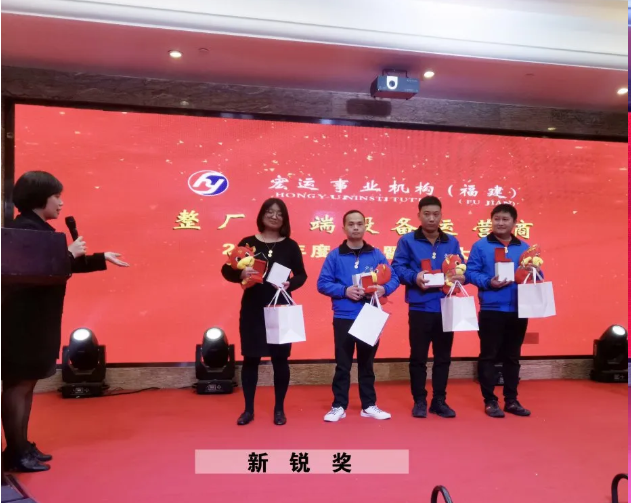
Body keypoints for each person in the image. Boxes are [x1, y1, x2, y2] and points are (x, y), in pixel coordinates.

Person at [1, 171, 129, 472]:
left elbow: (57, 267)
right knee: (18, 385)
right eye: (56, 196)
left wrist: (99, 257)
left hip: (37, 321)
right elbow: (32, 273)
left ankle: (21, 445)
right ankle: (15, 452)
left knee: (26, 384)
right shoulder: (22, 230)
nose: (61, 203)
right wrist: (68, 254)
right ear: (39, 198)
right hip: (21, 323)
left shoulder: (40, 229)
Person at [221, 198, 307, 426]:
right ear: (261, 215)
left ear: (285, 219)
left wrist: (290, 284)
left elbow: (301, 275)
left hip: (280, 308)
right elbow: (226, 270)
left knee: (280, 360)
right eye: (270, 211)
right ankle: (248, 410)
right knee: (251, 359)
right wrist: (240, 274)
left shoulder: (290, 246)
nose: (274, 216)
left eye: (279, 213)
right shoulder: (248, 242)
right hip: (253, 310)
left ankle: (279, 409)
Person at [317, 210, 400, 422]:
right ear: (344, 228)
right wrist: (344, 290)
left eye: (359, 224)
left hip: (369, 315)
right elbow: (322, 283)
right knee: (342, 364)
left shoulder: (376, 255)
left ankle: (369, 405)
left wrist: (384, 289)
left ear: (365, 226)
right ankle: (338, 406)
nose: (355, 227)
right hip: (344, 315)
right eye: (351, 224)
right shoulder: (335, 255)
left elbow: (394, 278)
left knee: (367, 363)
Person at [391, 196, 465, 419]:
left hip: (446, 305)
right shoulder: (407, 241)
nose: (431, 218)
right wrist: (415, 277)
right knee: (418, 357)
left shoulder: (451, 241)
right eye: (427, 214)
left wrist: (460, 274)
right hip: (420, 307)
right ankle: (420, 401)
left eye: (435, 214)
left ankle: (439, 401)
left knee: (443, 357)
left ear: (441, 216)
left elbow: (461, 267)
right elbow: (397, 268)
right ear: (419, 215)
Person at [465, 203, 538, 418]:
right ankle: (490, 401)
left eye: (505, 219)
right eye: (496, 219)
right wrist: (489, 281)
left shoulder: (525, 247)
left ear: (515, 223)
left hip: (518, 308)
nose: (500, 223)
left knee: (512, 357)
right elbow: (470, 273)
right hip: (491, 308)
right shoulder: (480, 246)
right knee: (488, 356)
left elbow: (537, 277)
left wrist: (535, 271)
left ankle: (511, 400)